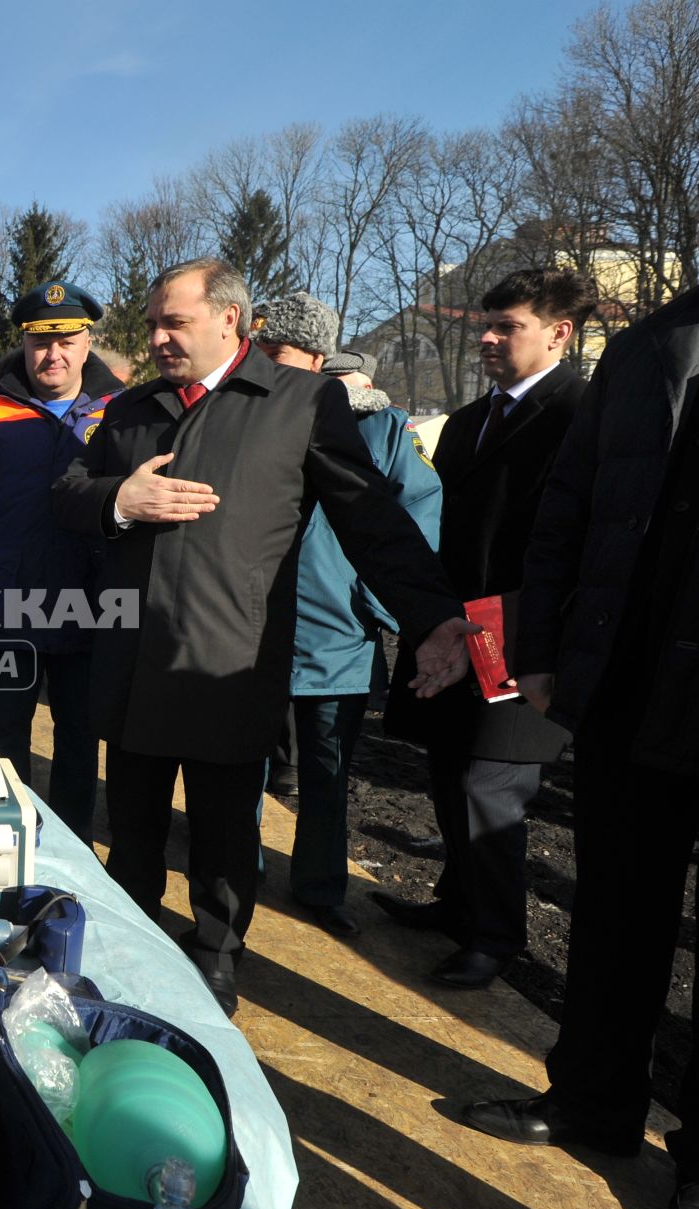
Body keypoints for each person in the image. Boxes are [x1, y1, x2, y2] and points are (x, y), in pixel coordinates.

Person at [51, 258, 471, 1015]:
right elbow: (69, 494)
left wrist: (433, 614)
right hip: (135, 664)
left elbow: (369, 518)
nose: (155, 338)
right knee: (135, 833)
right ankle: (133, 943)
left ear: (229, 320)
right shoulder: (132, 410)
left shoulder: (299, 403)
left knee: (222, 839)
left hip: (229, 665)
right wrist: (123, 496)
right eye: (151, 323)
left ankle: (215, 952)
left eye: (172, 322)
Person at [460, 160, 699, 1209]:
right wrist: (550, 652)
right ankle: (593, 1101)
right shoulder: (650, 346)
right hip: (630, 685)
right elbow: (566, 507)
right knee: (615, 908)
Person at [378, 268, 596, 990]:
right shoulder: (471, 420)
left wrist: (510, 625)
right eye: (487, 324)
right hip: (454, 630)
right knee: (447, 765)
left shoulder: (583, 414)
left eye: (509, 326)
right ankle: (457, 902)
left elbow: (573, 542)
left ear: (559, 332)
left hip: (524, 636)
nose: (488, 337)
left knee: (492, 788)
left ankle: (496, 936)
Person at [253, 297, 443, 939]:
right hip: (247, 630)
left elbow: (418, 515)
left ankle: (319, 886)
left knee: (328, 772)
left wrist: (375, 606)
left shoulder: (383, 430)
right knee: (240, 759)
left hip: (339, 633)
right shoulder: (247, 419)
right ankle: (233, 870)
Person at [0, 282, 125, 844]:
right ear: (23, 344)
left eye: (66, 340)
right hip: (4, 608)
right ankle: (8, 842)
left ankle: (72, 845)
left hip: (92, 608)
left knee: (80, 741)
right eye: (40, 342)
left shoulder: (122, 410)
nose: (52, 354)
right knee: (6, 739)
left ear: (88, 342)